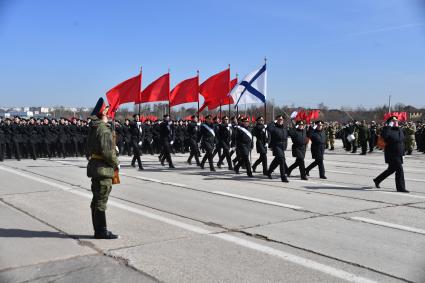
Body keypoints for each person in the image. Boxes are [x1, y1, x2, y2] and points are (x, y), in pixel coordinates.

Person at [86, 97, 119, 239]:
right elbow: (107, 153)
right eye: (107, 111)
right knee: (101, 201)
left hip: (95, 167)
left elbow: (87, 149)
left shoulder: (93, 128)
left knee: (96, 200)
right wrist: (116, 162)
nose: (109, 113)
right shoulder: (103, 130)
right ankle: (101, 231)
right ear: (103, 113)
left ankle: (98, 230)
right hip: (103, 169)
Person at [373, 116, 408, 193]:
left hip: (399, 153)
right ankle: (400, 187)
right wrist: (388, 126)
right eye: (393, 121)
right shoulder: (387, 129)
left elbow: (402, 140)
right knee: (400, 170)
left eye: (396, 121)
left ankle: (377, 180)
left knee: (391, 170)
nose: (395, 122)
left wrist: (403, 152)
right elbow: (384, 136)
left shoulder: (400, 129)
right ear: (390, 122)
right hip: (392, 153)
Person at [266, 115, 289, 182]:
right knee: (281, 159)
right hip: (276, 146)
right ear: (276, 120)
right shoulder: (274, 127)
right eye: (279, 119)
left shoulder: (284, 128)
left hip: (282, 147)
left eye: (281, 120)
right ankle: (283, 176)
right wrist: (273, 122)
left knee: (277, 160)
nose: (281, 121)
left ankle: (269, 172)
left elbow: (288, 136)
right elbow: (268, 128)